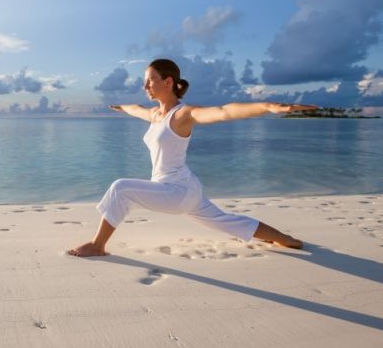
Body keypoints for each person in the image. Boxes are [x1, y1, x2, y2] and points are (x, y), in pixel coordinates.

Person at [67, 58, 316, 257]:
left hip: (175, 191)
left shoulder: (184, 114)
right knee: (228, 221)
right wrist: (122, 107)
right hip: (185, 187)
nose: (145, 87)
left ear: (168, 82)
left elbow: (224, 111)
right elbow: (136, 110)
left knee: (120, 188)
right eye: (144, 82)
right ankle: (286, 240)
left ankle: (97, 245)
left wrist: (268, 107)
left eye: (150, 81)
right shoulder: (155, 114)